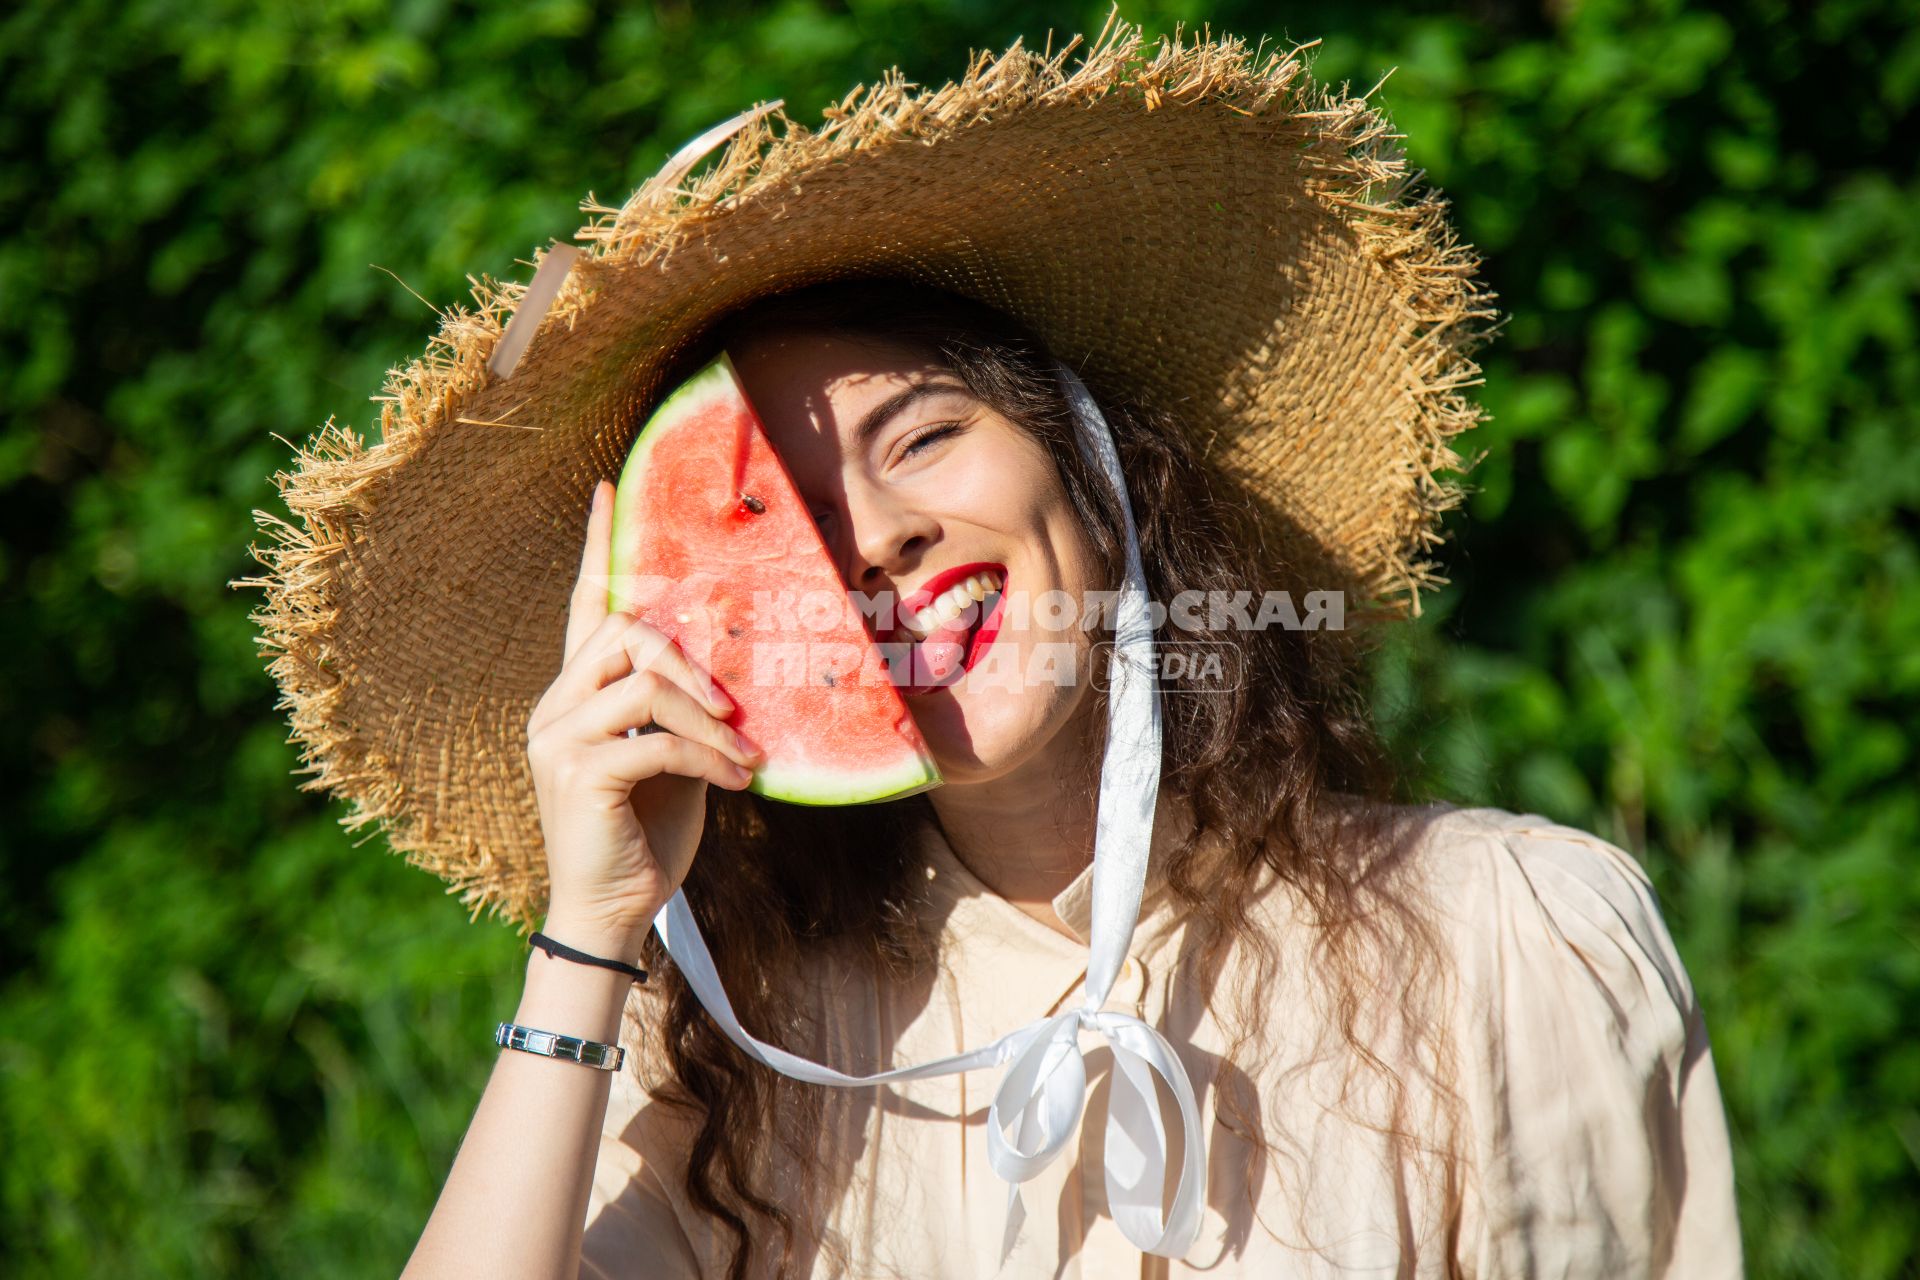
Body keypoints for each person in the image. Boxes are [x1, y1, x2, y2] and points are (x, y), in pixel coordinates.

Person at [243, 23, 1742, 1280]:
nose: (873, 539)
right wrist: (591, 930)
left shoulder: (1508, 932)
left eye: (929, 437)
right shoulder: (719, 1052)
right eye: (782, 521)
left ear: (1103, 476)